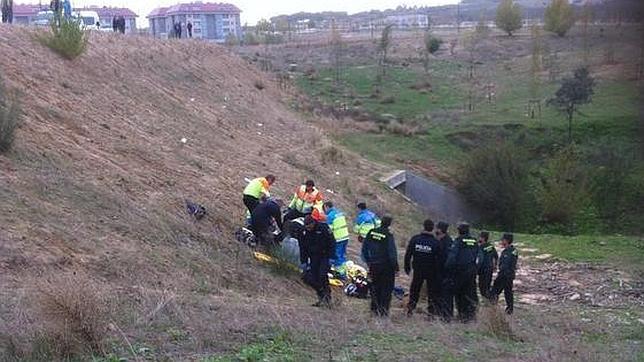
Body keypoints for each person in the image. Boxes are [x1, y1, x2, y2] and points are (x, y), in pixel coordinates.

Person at [361, 216, 398, 317]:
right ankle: (383, 312)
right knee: (386, 289)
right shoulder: (388, 235)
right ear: (389, 224)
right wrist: (396, 267)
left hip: (373, 265)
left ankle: (374, 309)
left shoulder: (371, 232)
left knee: (374, 288)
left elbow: (364, 248)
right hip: (386, 267)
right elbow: (392, 253)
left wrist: (368, 261)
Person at [404, 219, 441, 316]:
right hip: (431, 271)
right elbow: (439, 259)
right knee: (432, 292)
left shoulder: (415, 239)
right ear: (432, 228)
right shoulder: (435, 242)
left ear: (423, 226)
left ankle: (410, 309)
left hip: (418, 269)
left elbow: (408, 254)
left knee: (414, 289)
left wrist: (407, 267)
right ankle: (431, 312)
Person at [443, 222, 478, 322]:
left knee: (450, 291)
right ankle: (468, 316)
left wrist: (447, 269)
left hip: (459, 271)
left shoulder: (458, 241)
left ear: (459, 231)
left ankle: (447, 316)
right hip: (471, 271)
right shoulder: (474, 241)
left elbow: (452, 257)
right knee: (468, 293)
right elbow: (477, 256)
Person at [300, 215, 335, 307]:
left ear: (313, 223)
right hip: (313, 257)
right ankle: (321, 296)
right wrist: (303, 261)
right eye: (306, 227)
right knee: (311, 278)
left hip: (324, 256)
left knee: (322, 275)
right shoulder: (304, 232)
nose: (308, 229)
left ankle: (327, 298)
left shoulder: (323, 228)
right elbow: (302, 248)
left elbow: (332, 242)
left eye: (309, 226)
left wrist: (331, 257)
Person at [490, 233, 519, 314]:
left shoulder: (509, 252)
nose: (501, 242)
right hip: (509, 275)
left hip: (504, 275)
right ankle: (510, 309)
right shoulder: (513, 251)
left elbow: (506, 265)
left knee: (494, 292)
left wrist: (500, 274)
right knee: (508, 292)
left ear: (506, 241)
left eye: (502, 240)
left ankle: (492, 309)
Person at [323, 202, 350, 278]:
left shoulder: (330, 216)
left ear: (326, 206)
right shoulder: (339, 213)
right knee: (342, 255)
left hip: (338, 238)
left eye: (324, 209)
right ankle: (343, 271)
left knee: (336, 255)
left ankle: (340, 273)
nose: (325, 211)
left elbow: (329, 230)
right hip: (345, 236)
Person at [435, 221, 453, 321]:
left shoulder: (447, 242)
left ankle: (445, 315)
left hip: (444, 272)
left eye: (437, 228)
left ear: (440, 230)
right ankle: (439, 312)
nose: (435, 230)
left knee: (444, 294)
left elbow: (445, 258)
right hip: (440, 272)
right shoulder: (442, 240)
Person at [476, 231, 498, 300]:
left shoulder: (481, 247)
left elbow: (480, 260)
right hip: (490, 269)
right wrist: (495, 265)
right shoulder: (491, 246)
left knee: (482, 288)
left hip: (483, 270)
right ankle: (491, 298)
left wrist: (477, 270)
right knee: (487, 286)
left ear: (482, 238)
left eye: (479, 237)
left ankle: (489, 300)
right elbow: (496, 256)